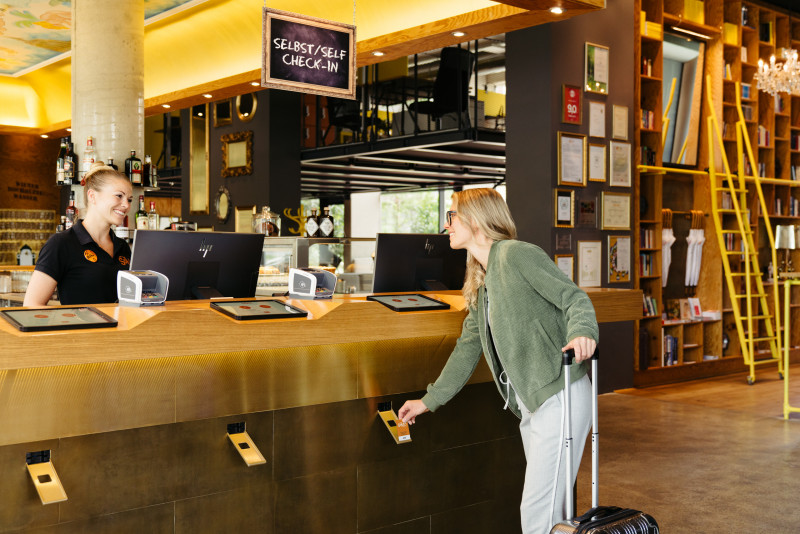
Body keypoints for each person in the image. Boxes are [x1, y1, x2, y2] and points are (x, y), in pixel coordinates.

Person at [398, 188, 598, 534]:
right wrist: (429, 400)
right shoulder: (481, 279)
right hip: (531, 405)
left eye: (452, 216)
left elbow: (573, 298)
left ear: (475, 218)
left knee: (539, 512)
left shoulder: (516, 255)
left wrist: (583, 333)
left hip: (558, 394)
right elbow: (468, 347)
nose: (446, 226)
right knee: (553, 511)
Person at [24, 164, 133, 306]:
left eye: (129, 199)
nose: (126, 205)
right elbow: (31, 306)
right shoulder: (61, 243)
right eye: (119, 196)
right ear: (92, 196)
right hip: (80, 328)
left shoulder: (122, 247)